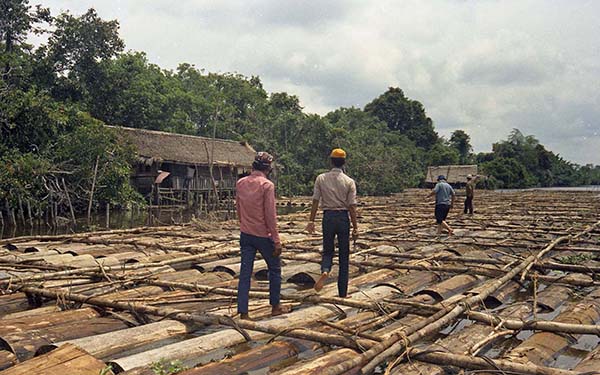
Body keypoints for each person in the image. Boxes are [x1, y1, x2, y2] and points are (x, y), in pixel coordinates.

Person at [236, 152, 288, 319]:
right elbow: (270, 216)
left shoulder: (241, 183)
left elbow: (238, 210)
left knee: (245, 272)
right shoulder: (267, 186)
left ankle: (243, 312)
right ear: (268, 169)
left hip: (246, 234)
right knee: (274, 268)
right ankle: (275, 306)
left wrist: (244, 225)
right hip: (263, 236)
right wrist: (276, 240)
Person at [305, 148, 358, 298]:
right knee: (343, 256)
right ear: (344, 162)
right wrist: (355, 227)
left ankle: (325, 270)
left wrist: (311, 221)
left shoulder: (321, 178)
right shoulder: (349, 181)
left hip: (328, 217)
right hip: (343, 218)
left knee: (328, 251)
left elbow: (315, 201)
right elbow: (352, 206)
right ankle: (343, 293)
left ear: (331, 161)